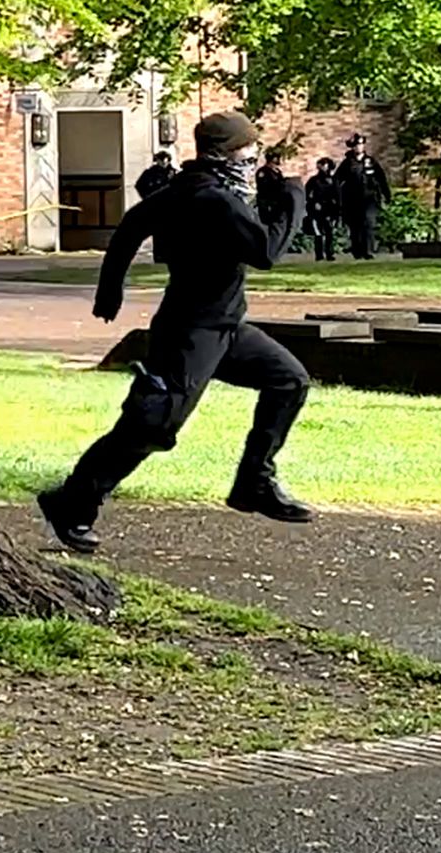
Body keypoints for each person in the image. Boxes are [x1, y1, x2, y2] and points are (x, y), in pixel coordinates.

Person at [36, 111, 312, 554]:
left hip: (224, 329)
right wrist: (294, 198)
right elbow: (266, 252)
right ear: (226, 154)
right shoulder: (214, 199)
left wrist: (110, 292)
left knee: (289, 379)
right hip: (190, 334)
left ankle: (254, 483)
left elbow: (129, 226)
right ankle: (71, 502)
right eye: (249, 151)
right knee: (152, 425)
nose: (254, 159)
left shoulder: (184, 189)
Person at [335, 135, 390, 259]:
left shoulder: (371, 161)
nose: (359, 147)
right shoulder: (348, 163)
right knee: (355, 226)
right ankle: (357, 251)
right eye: (356, 145)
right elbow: (337, 180)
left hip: (369, 198)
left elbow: (381, 178)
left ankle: (369, 250)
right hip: (352, 199)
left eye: (361, 145)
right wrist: (339, 197)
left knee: (369, 222)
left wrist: (386, 195)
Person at [305, 156, 341, 261]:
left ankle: (329, 253)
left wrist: (337, 210)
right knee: (318, 233)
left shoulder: (334, 180)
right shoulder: (314, 180)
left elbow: (338, 196)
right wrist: (313, 203)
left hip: (330, 209)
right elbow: (307, 194)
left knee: (329, 232)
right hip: (317, 209)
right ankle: (319, 254)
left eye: (324, 165)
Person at [254, 155, 289, 231]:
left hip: (276, 200)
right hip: (266, 200)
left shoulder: (277, 172)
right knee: (265, 220)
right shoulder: (262, 171)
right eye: (274, 163)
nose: (275, 165)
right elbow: (263, 186)